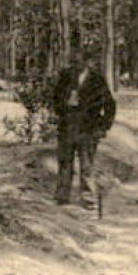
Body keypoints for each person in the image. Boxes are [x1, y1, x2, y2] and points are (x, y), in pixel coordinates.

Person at [52, 55, 117, 209]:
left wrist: (103, 126)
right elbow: (55, 98)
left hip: (88, 129)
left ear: (89, 63)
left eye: (82, 61)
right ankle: (62, 195)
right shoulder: (65, 76)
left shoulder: (97, 80)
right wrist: (63, 108)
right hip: (67, 127)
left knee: (87, 166)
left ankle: (87, 198)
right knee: (65, 163)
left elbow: (110, 105)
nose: (78, 64)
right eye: (75, 61)